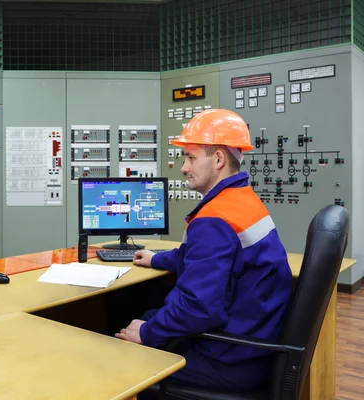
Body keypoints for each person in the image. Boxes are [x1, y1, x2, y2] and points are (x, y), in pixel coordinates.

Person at [115, 109, 293, 391]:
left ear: (219, 159)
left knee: (120, 354)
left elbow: (198, 308)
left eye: (191, 157)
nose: (184, 167)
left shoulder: (214, 219)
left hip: (227, 359)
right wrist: (157, 259)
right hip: (257, 340)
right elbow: (203, 258)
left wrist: (147, 333)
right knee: (147, 312)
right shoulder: (242, 200)